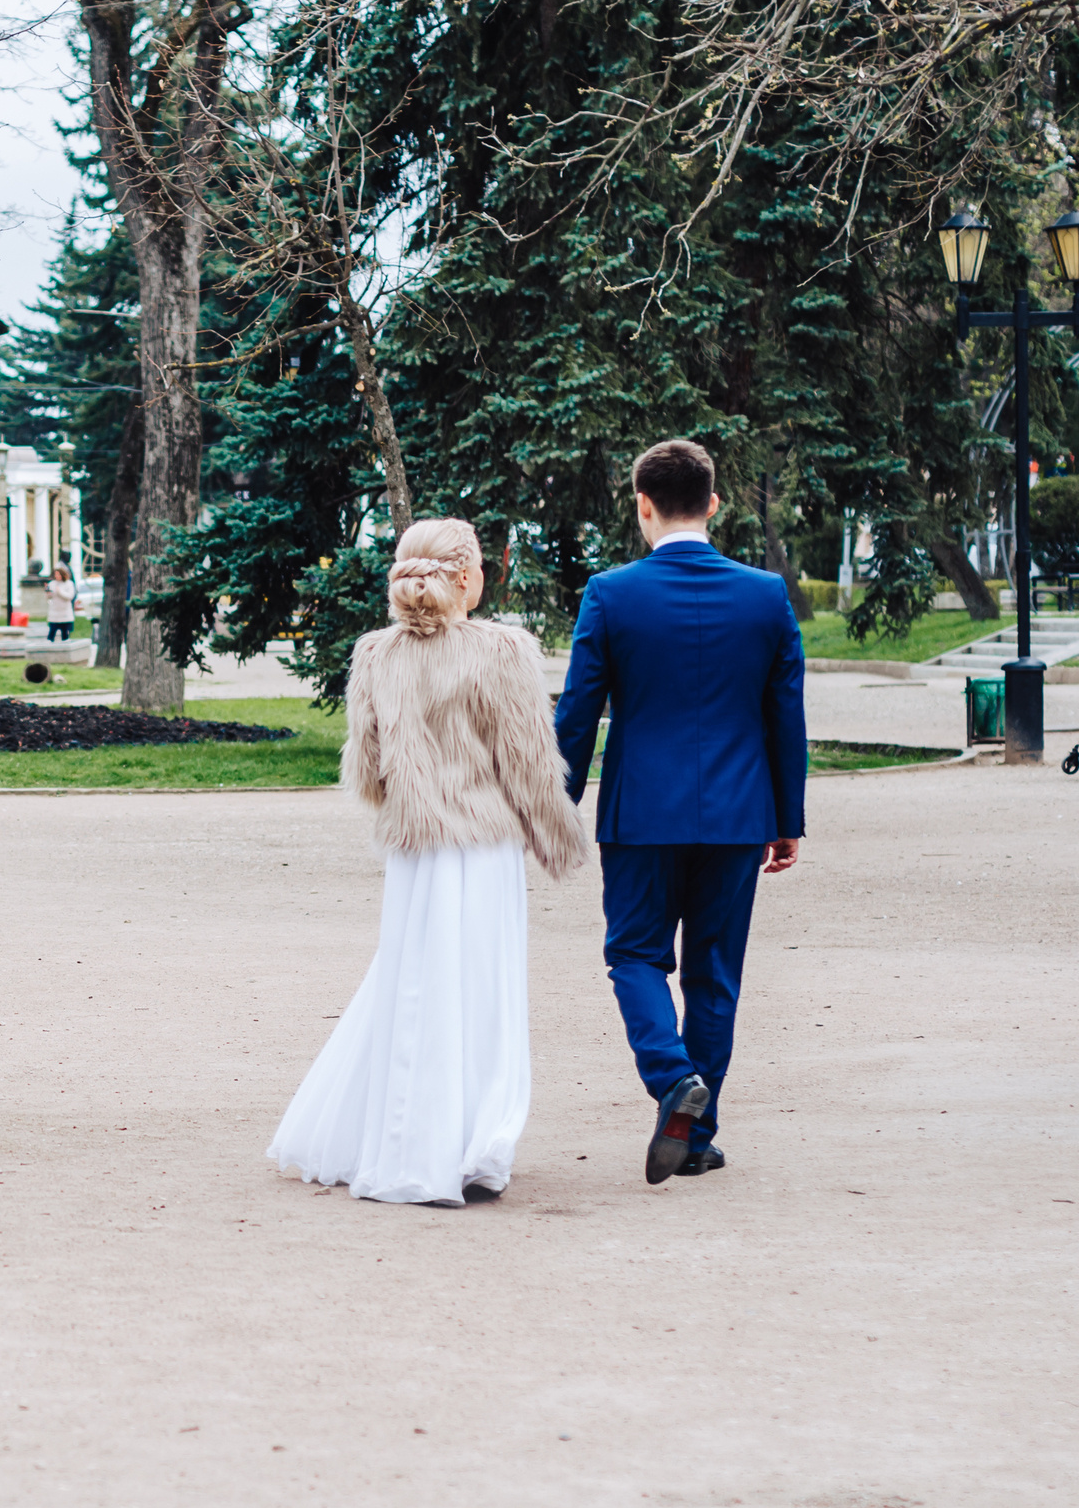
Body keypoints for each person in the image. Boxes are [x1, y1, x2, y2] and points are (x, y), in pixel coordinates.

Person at [269, 519, 588, 1206]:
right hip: (484, 845)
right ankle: (473, 1143)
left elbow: (367, 769)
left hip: (415, 849)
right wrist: (559, 837)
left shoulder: (375, 654)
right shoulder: (504, 649)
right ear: (469, 576)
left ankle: (412, 1139)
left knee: (414, 985)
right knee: (482, 991)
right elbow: (530, 763)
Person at [554, 439, 805, 1185]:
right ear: (714, 504)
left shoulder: (611, 593)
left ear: (643, 505)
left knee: (634, 955)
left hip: (640, 816)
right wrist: (786, 817)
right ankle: (696, 1136)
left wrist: (555, 807)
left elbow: (579, 714)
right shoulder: (765, 594)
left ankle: (671, 1080)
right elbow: (784, 716)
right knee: (714, 974)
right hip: (736, 815)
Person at [44, 564, 78, 641]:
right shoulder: (52, 583)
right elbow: (49, 597)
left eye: (58, 574)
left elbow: (70, 596)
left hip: (65, 613)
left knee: (65, 634)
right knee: (51, 633)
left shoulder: (69, 583)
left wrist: (60, 591)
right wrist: (48, 592)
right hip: (54, 612)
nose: (57, 576)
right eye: (55, 574)